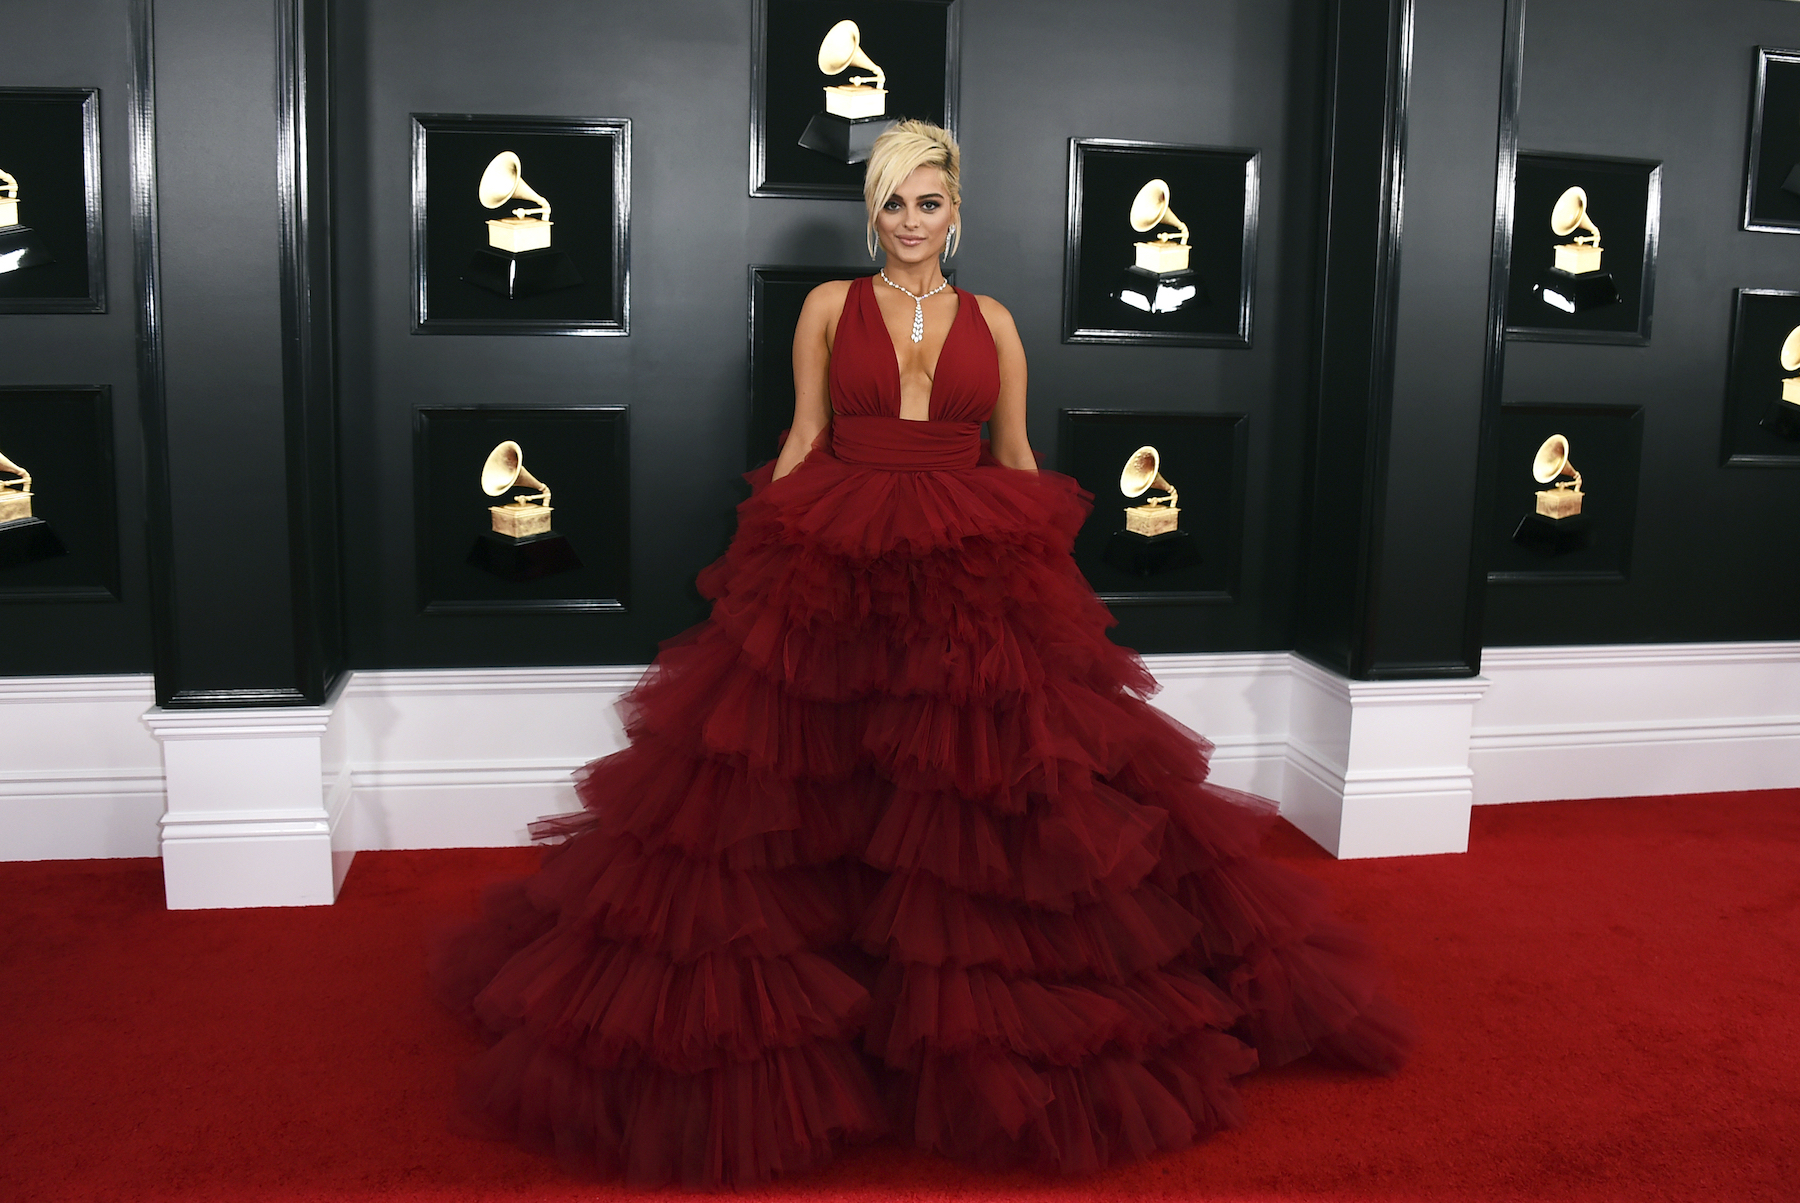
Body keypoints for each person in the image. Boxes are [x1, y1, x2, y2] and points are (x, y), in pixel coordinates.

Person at [434, 119, 1413, 1189]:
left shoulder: (992, 319)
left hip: (966, 559)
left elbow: (1019, 455)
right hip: (841, 543)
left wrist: (1044, 583)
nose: (910, 222)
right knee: (810, 773)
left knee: (971, 791)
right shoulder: (825, 308)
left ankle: (968, 1012)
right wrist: (771, 559)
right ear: (874, 211)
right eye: (893, 202)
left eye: (928, 202)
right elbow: (806, 435)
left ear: (957, 211)